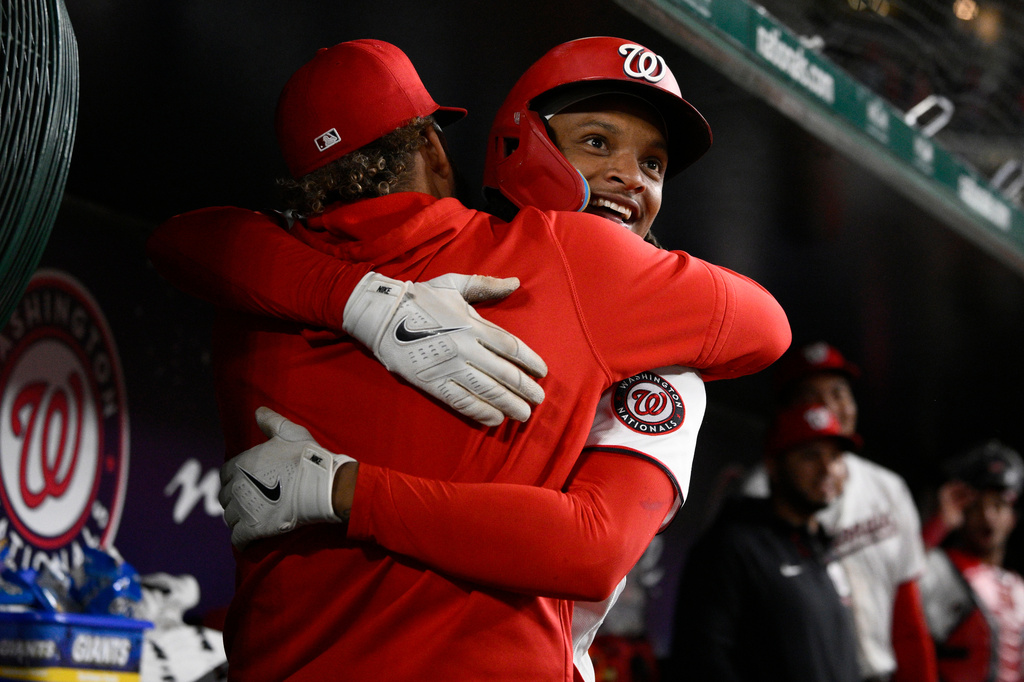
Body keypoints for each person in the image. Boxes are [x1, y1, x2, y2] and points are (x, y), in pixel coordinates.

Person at [148, 38, 790, 681]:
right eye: (597, 142)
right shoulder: (568, 260)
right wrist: (363, 305)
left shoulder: (249, 289)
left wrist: (352, 311)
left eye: (653, 164)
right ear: (435, 147)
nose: (630, 176)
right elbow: (768, 326)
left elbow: (184, 240)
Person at [735, 340, 937, 682]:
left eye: (839, 393)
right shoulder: (759, 492)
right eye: (811, 396)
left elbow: (907, 615)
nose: (829, 406)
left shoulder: (888, 488)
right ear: (786, 411)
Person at [671, 402, 861, 681]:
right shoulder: (732, 544)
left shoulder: (822, 547)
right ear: (773, 465)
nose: (827, 469)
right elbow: (702, 658)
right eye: (811, 456)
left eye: (835, 457)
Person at [919, 439, 1024, 682]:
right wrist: (939, 525)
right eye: (976, 506)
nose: (987, 516)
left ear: (1013, 518)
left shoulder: (1019, 588)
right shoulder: (938, 567)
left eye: (998, 506)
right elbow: (899, 581)